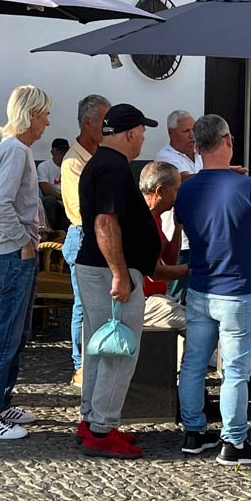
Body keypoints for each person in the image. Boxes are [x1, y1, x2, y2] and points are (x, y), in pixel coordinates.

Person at [174, 114, 251, 466]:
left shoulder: (186, 188)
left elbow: (185, 226)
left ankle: (193, 432)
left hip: (200, 287)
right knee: (234, 370)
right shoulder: (250, 187)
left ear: (197, 146)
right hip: (237, 289)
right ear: (228, 141)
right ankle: (233, 441)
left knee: (193, 363)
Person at [74, 103, 161, 459]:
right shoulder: (113, 168)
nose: (143, 138)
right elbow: (105, 224)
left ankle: (93, 421)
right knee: (119, 351)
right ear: (129, 133)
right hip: (106, 271)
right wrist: (121, 275)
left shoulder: (100, 163)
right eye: (142, 131)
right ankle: (101, 429)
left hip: (95, 268)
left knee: (100, 348)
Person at [0, 85, 51, 440]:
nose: (48, 122)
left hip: (10, 253)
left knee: (14, 336)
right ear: (31, 114)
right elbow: (2, 204)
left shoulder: (12, 148)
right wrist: (24, 243)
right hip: (11, 255)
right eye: (45, 114)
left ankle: (0, 405)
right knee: (6, 337)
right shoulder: (16, 150)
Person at [60, 94, 111, 386]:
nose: (107, 127)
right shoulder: (72, 162)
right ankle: (80, 365)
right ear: (88, 122)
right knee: (83, 304)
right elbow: (80, 208)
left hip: (100, 232)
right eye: (103, 121)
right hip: (83, 235)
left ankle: (95, 357)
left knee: (100, 302)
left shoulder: (101, 154)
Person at [154, 110, 201, 306]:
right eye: (186, 131)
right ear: (171, 133)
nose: (192, 135)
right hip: (177, 236)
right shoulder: (165, 156)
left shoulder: (201, 154)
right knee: (176, 295)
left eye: (194, 130)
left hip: (199, 232)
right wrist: (219, 173)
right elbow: (183, 180)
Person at [139, 161, 188, 330]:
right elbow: (156, 273)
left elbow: (169, 258)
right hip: (142, 302)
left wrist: (178, 227)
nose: (178, 196)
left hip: (155, 298)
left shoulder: (155, 217)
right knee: (198, 325)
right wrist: (193, 269)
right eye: (176, 190)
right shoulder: (143, 221)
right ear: (160, 191)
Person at [37, 137, 70, 231]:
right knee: (49, 200)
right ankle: (49, 231)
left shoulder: (71, 166)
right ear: (53, 152)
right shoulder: (44, 166)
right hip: (54, 201)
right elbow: (45, 189)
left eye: (65, 151)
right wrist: (63, 197)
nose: (63, 154)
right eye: (60, 151)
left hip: (67, 202)